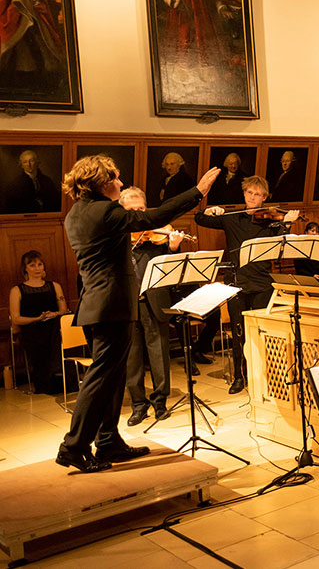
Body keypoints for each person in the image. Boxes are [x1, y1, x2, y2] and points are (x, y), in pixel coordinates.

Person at [57, 155, 217, 473]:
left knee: (113, 377)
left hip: (98, 304)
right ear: (102, 182)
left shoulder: (76, 212)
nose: (120, 182)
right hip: (110, 304)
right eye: (116, 178)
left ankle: (107, 441)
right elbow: (153, 217)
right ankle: (73, 446)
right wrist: (197, 191)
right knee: (101, 377)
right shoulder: (105, 210)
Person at [195, 176, 297, 394]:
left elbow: (283, 244)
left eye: (258, 194)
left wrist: (286, 223)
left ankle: (266, 375)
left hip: (262, 283)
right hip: (236, 283)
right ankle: (239, 376)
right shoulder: (231, 218)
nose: (253, 197)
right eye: (249, 193)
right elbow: (198, 219)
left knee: (263, 331)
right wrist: (209, 210)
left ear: (264, 198)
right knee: (238, 333)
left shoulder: (271, 221)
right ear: (244, 194)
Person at [120, 187, 182, 426]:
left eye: (142, 210)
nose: (138, 215)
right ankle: (138, 405)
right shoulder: (118, 235)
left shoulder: (157, 234)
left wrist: (174, 246)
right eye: (132, 211)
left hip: (154, 301)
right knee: (132, 359)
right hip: (127, 304)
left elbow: (171, 262)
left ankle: (160, 402)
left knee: (159, 354)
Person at [9, 250, 67, 394]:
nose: (37, 268)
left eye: (40, 264)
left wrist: (54, 314)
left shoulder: (54, 286)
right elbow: (16, 318)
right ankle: (52, 378)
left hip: (53, 328)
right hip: (32, 331)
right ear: (25, 268)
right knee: (47, 339)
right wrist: (37, 318)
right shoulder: (17, 290)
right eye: (33, 265)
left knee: (56, 332)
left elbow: (63, 310)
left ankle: (60, 377)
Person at [7, 149, 60, 213]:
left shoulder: (47, 180)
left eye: (31, 161)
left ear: (37, 163)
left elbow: (54, 201)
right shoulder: (16, 183)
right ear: (21, 165)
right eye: (25, 162)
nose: (28, 164)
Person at [293, 221, 319, 291]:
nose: (315, 233)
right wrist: (312, 276)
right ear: (306, 232)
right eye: (312, 231)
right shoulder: (300, 247)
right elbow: (299, 268)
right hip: (306, 275)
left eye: (317, 231)